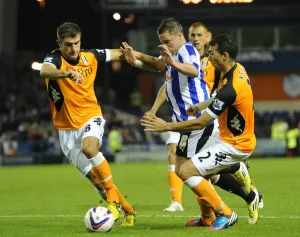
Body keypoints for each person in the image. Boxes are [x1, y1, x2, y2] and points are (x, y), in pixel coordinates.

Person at [122, 20, 260, 225]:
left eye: (167, 41)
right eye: (161, 42)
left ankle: (226, 211)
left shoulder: (186, 51)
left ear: (179, 36)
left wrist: (166, 125)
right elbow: (160, 67)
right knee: (188, 171)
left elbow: (194, 70)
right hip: (188, 120)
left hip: (196, 124)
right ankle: (208, 216)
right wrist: (137, 61)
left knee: (189, 172)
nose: (164, 46)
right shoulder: (175, 54)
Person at [40, 22, 135, 226]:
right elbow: (44, 71)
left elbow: (119, 53)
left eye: (77, 43)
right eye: (68, 45)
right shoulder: (53, 59)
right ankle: (128, 209)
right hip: (66, 130)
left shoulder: (90, 56)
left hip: (90, 116)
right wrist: (66, 73)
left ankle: (112, 203)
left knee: (89, 148)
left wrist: (143, 58)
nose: (73, 48)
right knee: (95, 179)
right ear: (59, 43)